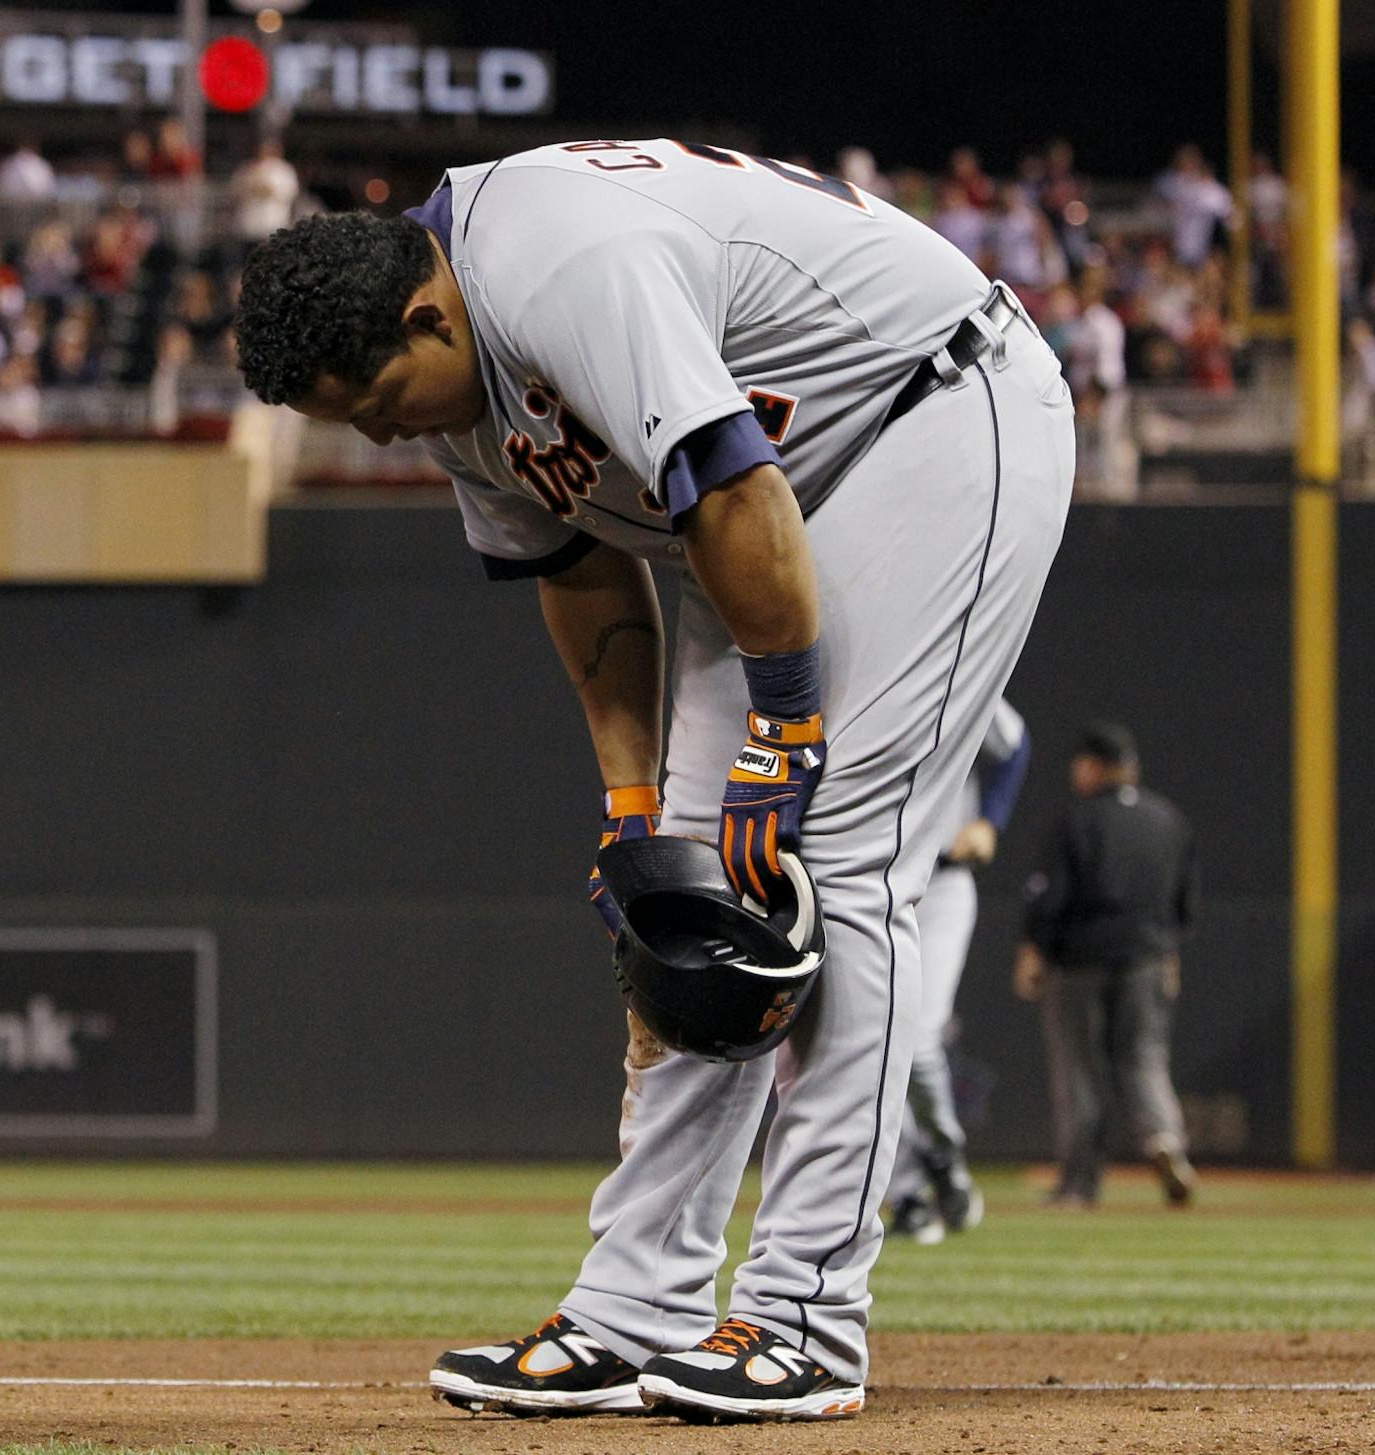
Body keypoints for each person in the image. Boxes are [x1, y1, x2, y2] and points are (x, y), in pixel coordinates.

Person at [235, 138, 1072, 1422]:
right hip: (755, 520)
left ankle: (804, 1316)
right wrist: (634, 821)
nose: (377, 428)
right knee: (691, 899)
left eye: (375, 397)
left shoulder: (565, 261)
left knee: (838, 859)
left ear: (425, 309)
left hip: (935, 417)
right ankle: (637, 1311)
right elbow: (580, 580)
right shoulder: (458, 375)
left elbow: (729, 479)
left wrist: (788, 726)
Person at [1014, 722, 1200, 1209]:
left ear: (1093, 766)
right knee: (1145, 1059)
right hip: (1148, 959)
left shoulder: (1077, 820)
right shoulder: (1168, 820)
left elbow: (1050, 897)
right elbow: (1184, 903)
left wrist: (1035, 947)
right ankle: (1164, 1139)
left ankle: (1079, 1184)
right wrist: (1170, 952)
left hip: (1080, 960)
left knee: (1078, 1070)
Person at [885, 698, 1031, 1244]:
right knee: (875, 1041)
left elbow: (1015, 746)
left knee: (916, 1035)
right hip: (865, 881)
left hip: (942, 883)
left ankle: (943, 1155)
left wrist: (990, 820)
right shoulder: (843, 655)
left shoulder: (951, 648)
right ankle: (908, 1197)